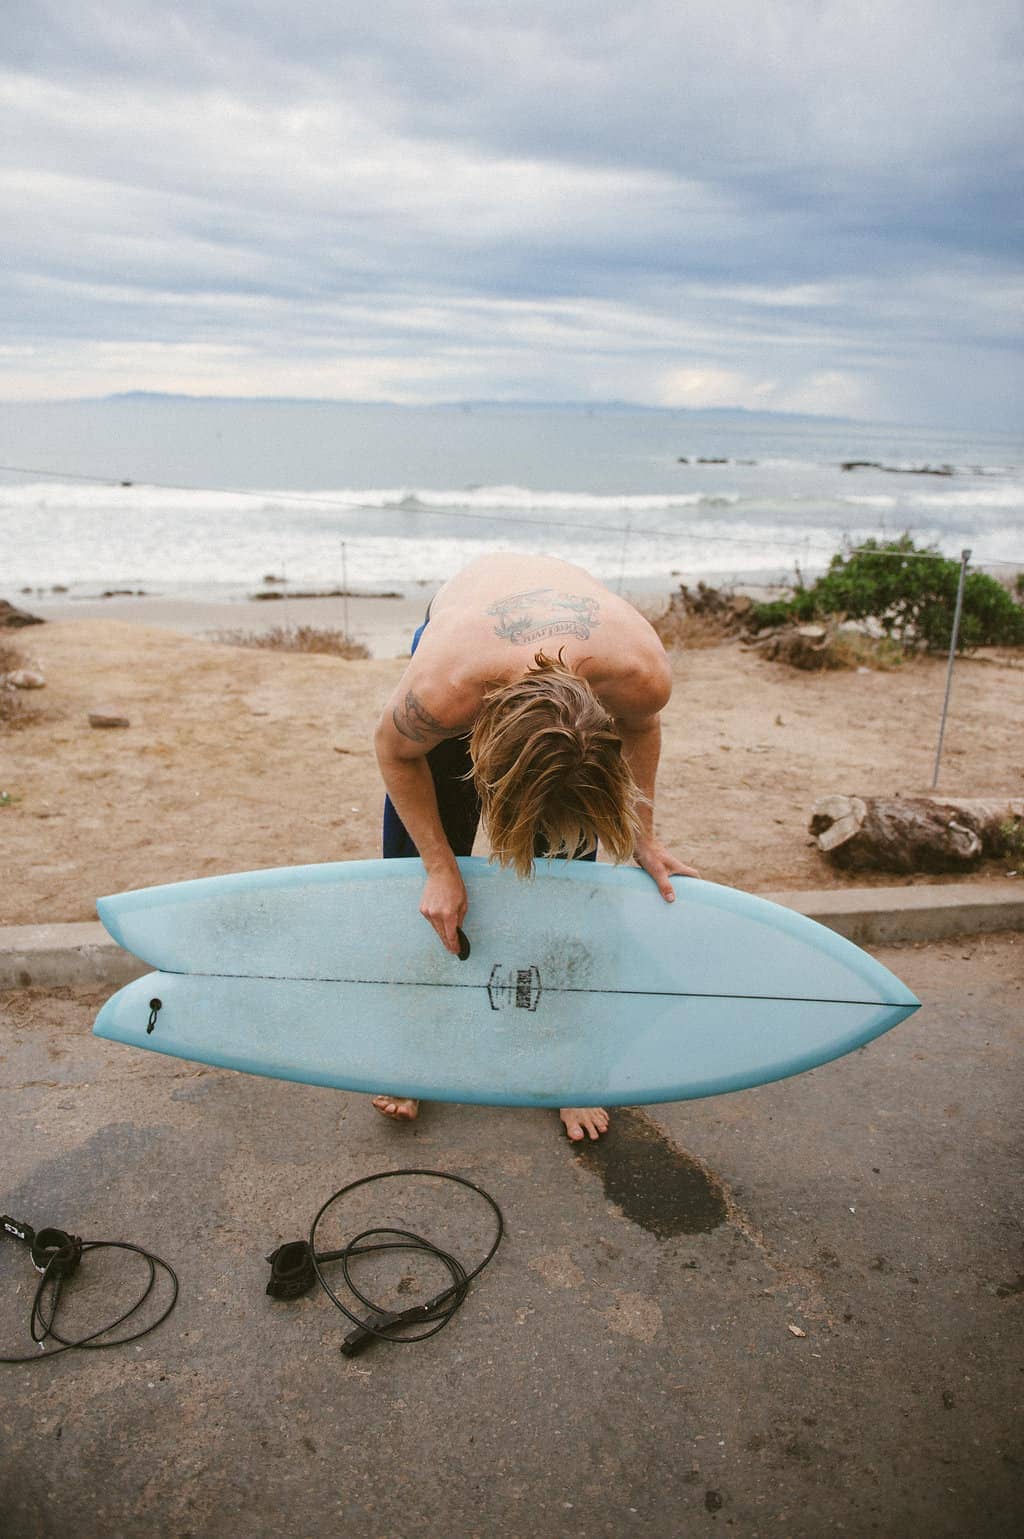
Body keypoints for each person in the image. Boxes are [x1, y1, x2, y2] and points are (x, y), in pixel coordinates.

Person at [372, 551, 697, 1140]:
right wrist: (442, 868)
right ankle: (412, 1050)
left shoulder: (639, 673)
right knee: (422, 885)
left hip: (573, 655)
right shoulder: (443, 691)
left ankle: (560, 1055)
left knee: (563, 886)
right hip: (467, 645)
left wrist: (643, 836)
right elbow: (395, 752)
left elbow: (642, 729)